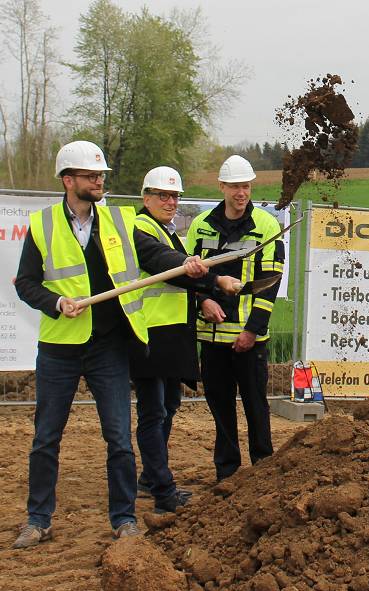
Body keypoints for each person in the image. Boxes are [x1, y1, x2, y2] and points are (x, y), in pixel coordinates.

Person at [11, 141, 218, 548]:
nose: (99, 181)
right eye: (91, 176)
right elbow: (26, 284)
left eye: (101, 175)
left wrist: (191, 270)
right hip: (60, 347)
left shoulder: (119, 223)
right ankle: (38, 519)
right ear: (68, 180)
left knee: (119, 438)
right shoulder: (42, 225)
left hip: (108, 347)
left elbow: (156, 258)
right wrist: (55, 302)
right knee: (46, 438)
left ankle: (123, 518)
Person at [131, 167, 241, 513]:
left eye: (175, 196)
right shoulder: (140, 229)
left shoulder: (167, 230)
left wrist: (206, 287)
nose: (170, 202)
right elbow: (165, 263)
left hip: (171, 336)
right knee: (154, 412)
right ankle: (162, 490)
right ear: (146, 197)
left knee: (167, 408)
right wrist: (213, 279)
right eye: (163, 195)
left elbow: (181, 272)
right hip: (150, 335)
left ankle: (151, 477)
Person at [185, 155, 284, 482]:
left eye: (246, 186)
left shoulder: (267, 226)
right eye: (235, 186)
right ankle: (226, 474)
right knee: (221, 408)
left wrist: (253, 330)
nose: (241, 192)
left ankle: (263, 469)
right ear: (222, 187)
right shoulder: (201, 225)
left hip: (248, 339)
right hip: (211, 338)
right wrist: (202, 301)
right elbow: (188, 275)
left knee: (256, 407)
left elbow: (271, 283)